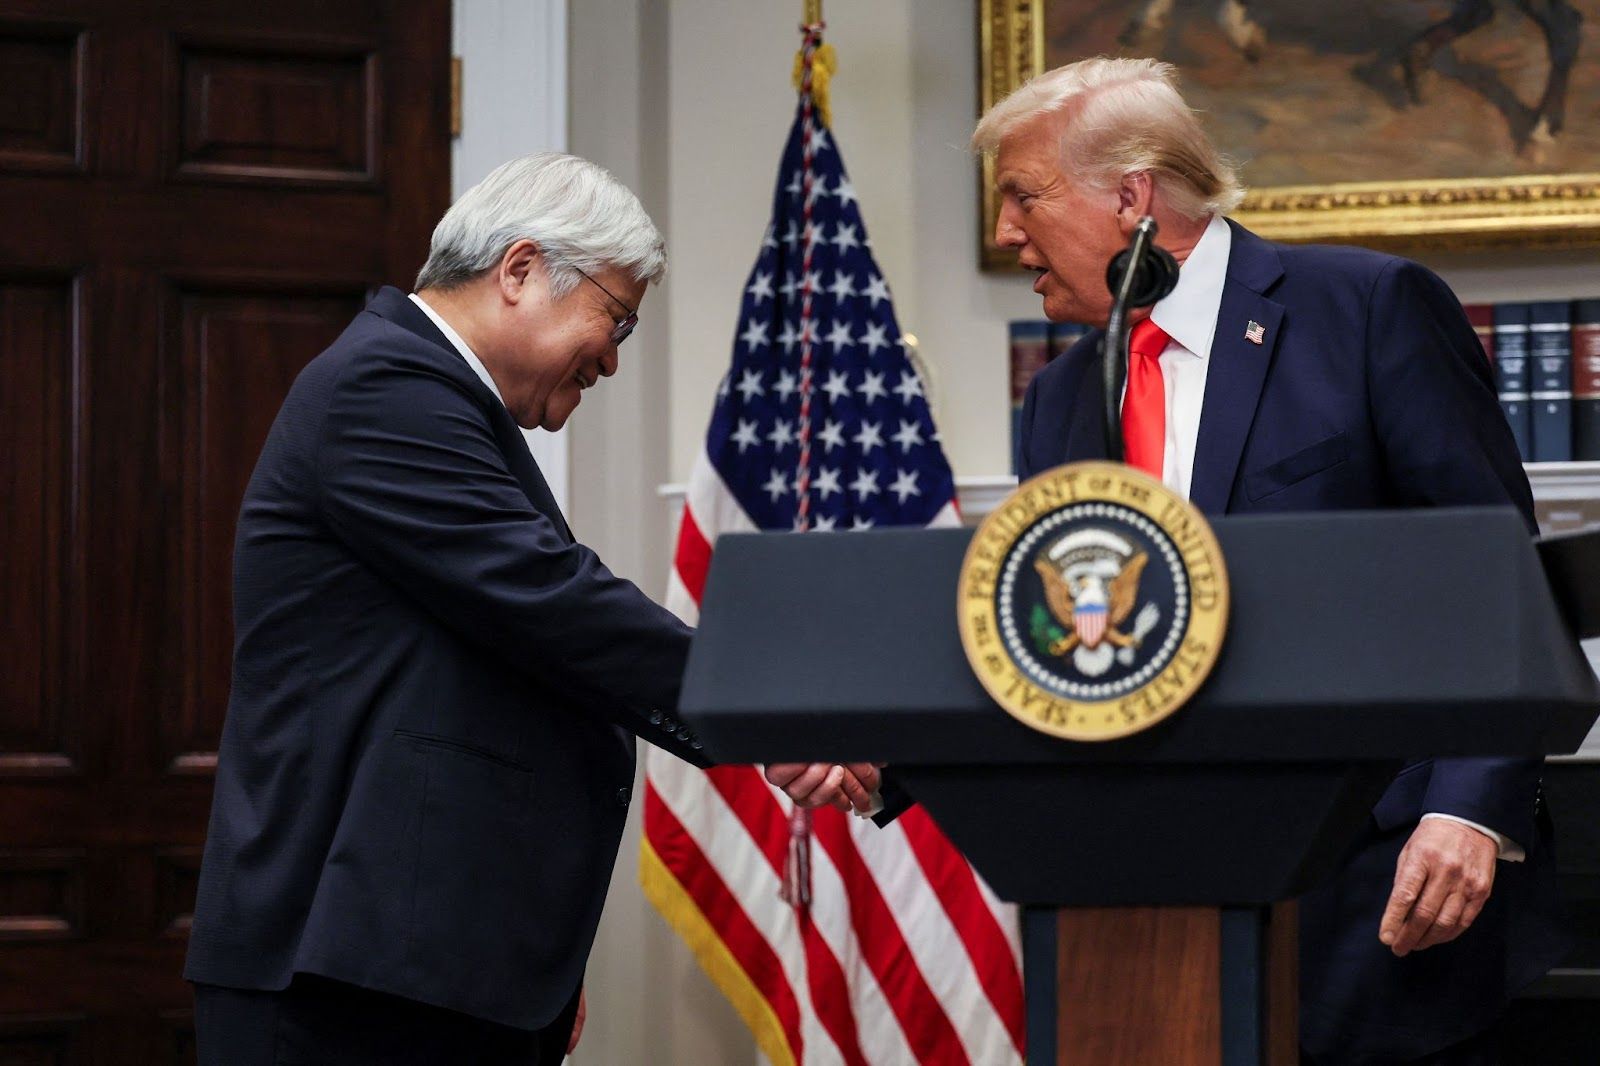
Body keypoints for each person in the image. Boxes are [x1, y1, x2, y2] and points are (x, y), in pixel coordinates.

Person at [776, 58, 1568, 1065]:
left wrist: (1470, 807)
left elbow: (1497, 580)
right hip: (1147, 906)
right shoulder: (1060, 397)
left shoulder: (1365, 308)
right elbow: (1067, 651)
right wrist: (886, 753)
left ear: (1131, 197)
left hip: (1383, 884)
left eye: (1022, 195)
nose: (1005, 231)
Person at [184, 152, 880, 1066]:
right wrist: (774, 715)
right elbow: (555, 604)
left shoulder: (430, 397)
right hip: (343, 979)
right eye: (616, 318)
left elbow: (509, 665)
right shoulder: (384, 386)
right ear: (519, 270)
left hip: (430, 963)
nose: (614, 359)